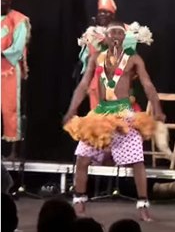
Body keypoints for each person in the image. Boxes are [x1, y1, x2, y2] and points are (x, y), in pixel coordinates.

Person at [63, 21, 165, 221]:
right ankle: (79, 203)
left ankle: (143, 205)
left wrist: (158, 108)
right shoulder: (95, 58)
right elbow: (84, 86)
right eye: (113, 33)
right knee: (82, 158)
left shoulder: (134, 59)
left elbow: (148, 85)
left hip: (124, 113)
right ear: (106, 37)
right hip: (100, 115)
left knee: (137, 161)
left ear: (124, 37)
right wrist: (72, 109)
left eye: (120, 32)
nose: (116, 36)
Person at [77, 0, 143, 110]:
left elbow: (130, 51)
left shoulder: (124, 31)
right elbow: (86, 59)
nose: (102, 15)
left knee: (117, 122)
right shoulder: (92, 33)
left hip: (117, 84)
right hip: (96, 84)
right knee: (98, 122)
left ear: (113, 15)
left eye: (106, 12)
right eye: (100, 12)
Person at [1, 0, 31, 158]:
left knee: (10, 110)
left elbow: (18, 48)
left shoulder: (19, 20)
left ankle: (13, 152)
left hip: (10, 71)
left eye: (5, 1)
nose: (1, 4)